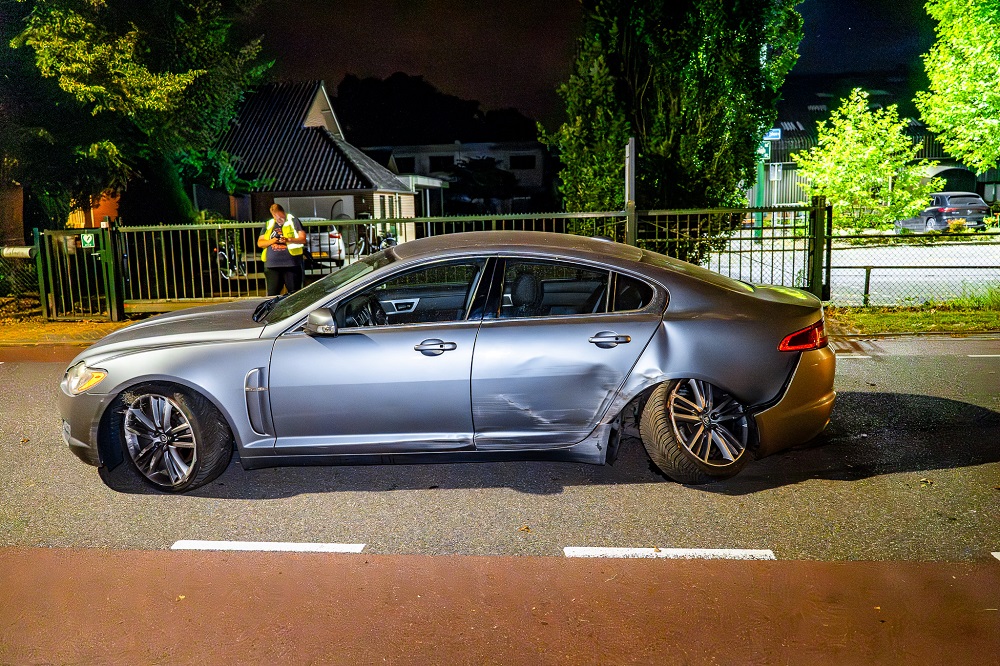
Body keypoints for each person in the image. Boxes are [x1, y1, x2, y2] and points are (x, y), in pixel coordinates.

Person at [257, 203, 307, 296]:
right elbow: (260, 243)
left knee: (294, 294)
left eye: (280, 217)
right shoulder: (269, 224)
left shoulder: (293, 221)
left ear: (284, 213)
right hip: (272, 266)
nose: (278, 220)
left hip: (291, 264)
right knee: (272, 295)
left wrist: (288, 240)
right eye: (276, 218)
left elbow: (303, 239)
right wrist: (273, 240)